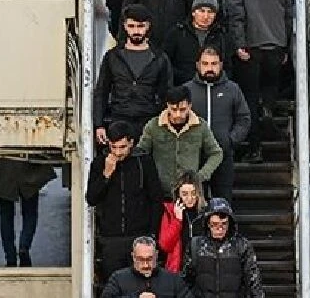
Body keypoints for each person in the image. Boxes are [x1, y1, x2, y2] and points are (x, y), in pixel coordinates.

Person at [225, 0, 292, 164]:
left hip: (250, 47)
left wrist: (239, 43)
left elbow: (236, 12)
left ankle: (255, 149)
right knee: (269, 90)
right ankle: (269, 112)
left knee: (250, 98)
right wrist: (286, 46)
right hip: (275, 44)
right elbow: (287, 11)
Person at [182, 198, 265, 298]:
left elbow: (253, 282)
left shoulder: (242, 246)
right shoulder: (196, 246)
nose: (219, 229)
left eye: (223, 224)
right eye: (214, 224)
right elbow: (185, 282)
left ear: (230, 224)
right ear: (207, 224)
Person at [87, 120, 166, 278]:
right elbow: (91, 198)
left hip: (139, 235)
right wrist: (106, 175)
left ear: (131, 143)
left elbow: (156, 199)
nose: (117, 152)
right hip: (111, 237)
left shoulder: (144, 162)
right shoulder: (99, 163)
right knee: (114, 283)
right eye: (113, 147)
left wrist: (152, 233)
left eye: (122, 147)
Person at [94, 4, 175, 147]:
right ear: (124, 26)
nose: (136, 31)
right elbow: (102, 91)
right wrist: (99, 125)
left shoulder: (160, 58)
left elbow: (166, 94)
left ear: (148, 26)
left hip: (149, 120)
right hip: (119, 118)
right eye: (131, 26)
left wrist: (165, 124)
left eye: (140, 26)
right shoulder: (112, 57)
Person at [186, 45, 250, 202]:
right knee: (194, 204)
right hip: (194, 158)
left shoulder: (232, 89)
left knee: (222, 202)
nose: (209, 68)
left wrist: (231, 140)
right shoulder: (186, 90)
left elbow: (244, 118)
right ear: (197, 65)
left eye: (214, 64)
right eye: (205, 64)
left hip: (223, 156)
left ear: (221, 64)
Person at [137, 84, 223, 197]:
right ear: (167, 106)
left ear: (190, 106)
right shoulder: (153, 126)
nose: (178, 114)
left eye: (182, 109)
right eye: (174, 109)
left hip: (190, 195)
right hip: (160, 191)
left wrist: (201, 176)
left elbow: (216, 153)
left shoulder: (200, 126)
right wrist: (150, 179)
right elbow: (141, 153)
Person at [0, 157, 57, 266]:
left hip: (2, 164)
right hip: (27, 162)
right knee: (30, 211)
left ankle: (10, 256)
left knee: (5, 214)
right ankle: (24, 246)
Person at [164, 0, 231, 87]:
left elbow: (228, 67)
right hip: (182, 87)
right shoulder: (177, 33)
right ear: (193, 12)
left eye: (210, 12)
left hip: (214, 87)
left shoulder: (221, 36)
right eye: (202, 11)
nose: (206, 16)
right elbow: (166, 63)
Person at [157, 172, 206, 273]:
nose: (190, 198)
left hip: (202, 270)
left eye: (193, 193)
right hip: (178, 270)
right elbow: (165, 245)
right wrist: (177, 220)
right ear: (178, 194)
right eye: (185, 194)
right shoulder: (169, 212)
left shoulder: (206, 213)